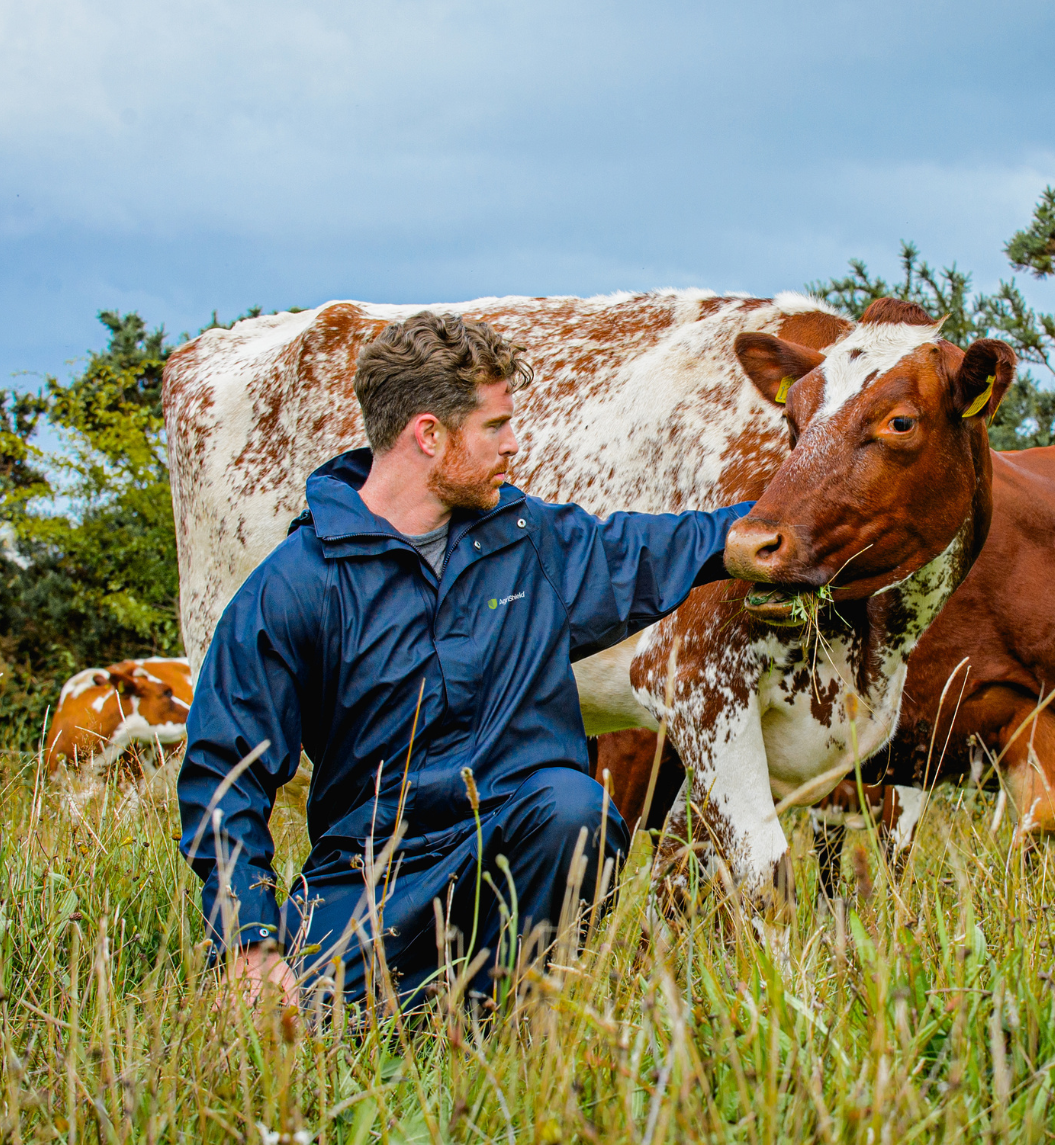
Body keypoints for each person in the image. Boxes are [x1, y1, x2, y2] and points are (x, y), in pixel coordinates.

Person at [178, 311, 754, 1009]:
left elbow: (650, 547)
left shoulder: (529, 543)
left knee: (577, 809)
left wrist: (770, 527)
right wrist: (251, 943)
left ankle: (512, 1015)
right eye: (494, 427)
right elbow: (223, 773)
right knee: (301, 1027)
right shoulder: (298, 583)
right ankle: (388, 1006)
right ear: (429, 434)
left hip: (510, 853)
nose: (515, 445)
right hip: (369, 880)